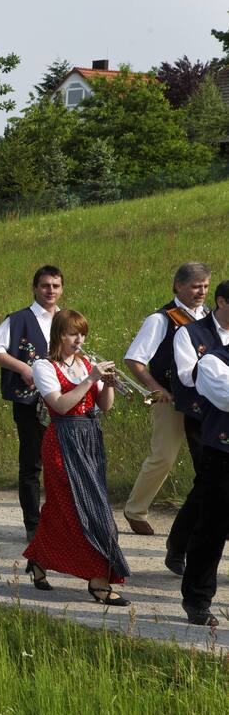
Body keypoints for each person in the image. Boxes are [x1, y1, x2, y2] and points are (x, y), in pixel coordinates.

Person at [23, 310, 130, 606]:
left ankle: (37, 558)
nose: (78, 339)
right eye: (72, 333)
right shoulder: (43, 366)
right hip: (62, 439)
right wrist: (90, 378)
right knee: (86, 509)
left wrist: (107, 382)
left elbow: (105, 406)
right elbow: (59, 404)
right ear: (58, 334)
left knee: (62, 508)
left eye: (82, 333)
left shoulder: (85, 364)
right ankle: (99, 581)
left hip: (89, 437)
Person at [119, 262, 212, 537]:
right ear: (178, 286)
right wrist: (156, 389)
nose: (201, 292)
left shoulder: (209, 317)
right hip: (169, 401)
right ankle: (135, 510)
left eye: (205, 286)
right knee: (164, 457)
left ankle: (211, 516)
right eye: (196, 286)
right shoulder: (161, 319)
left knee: (209, 461)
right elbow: (134, 359)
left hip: (204, 401)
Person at [0, 265, 63, 542]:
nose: (50, 290)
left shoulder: (66, 318)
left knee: (61, 464)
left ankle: (59, 520)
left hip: (64, 402)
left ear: (61, 288)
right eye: (45, 285)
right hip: (30, 403)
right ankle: (33, 524)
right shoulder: (18, 319)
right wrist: (23, 369)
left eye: (55, 285)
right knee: (32, 464)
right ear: (35, 288)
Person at [166, 278, 229, 575]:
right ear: (221, 302)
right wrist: (214, 371)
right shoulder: (189, 333)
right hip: (201, 416)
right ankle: (179, 546)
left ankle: (181, 544)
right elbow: (187, 376)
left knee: (207, 486)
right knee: (207, 484)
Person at [184, 344, 229, 625]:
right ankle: (197, 599)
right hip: (224, 456)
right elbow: (226, 397)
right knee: (212, 529)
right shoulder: (213, 361)